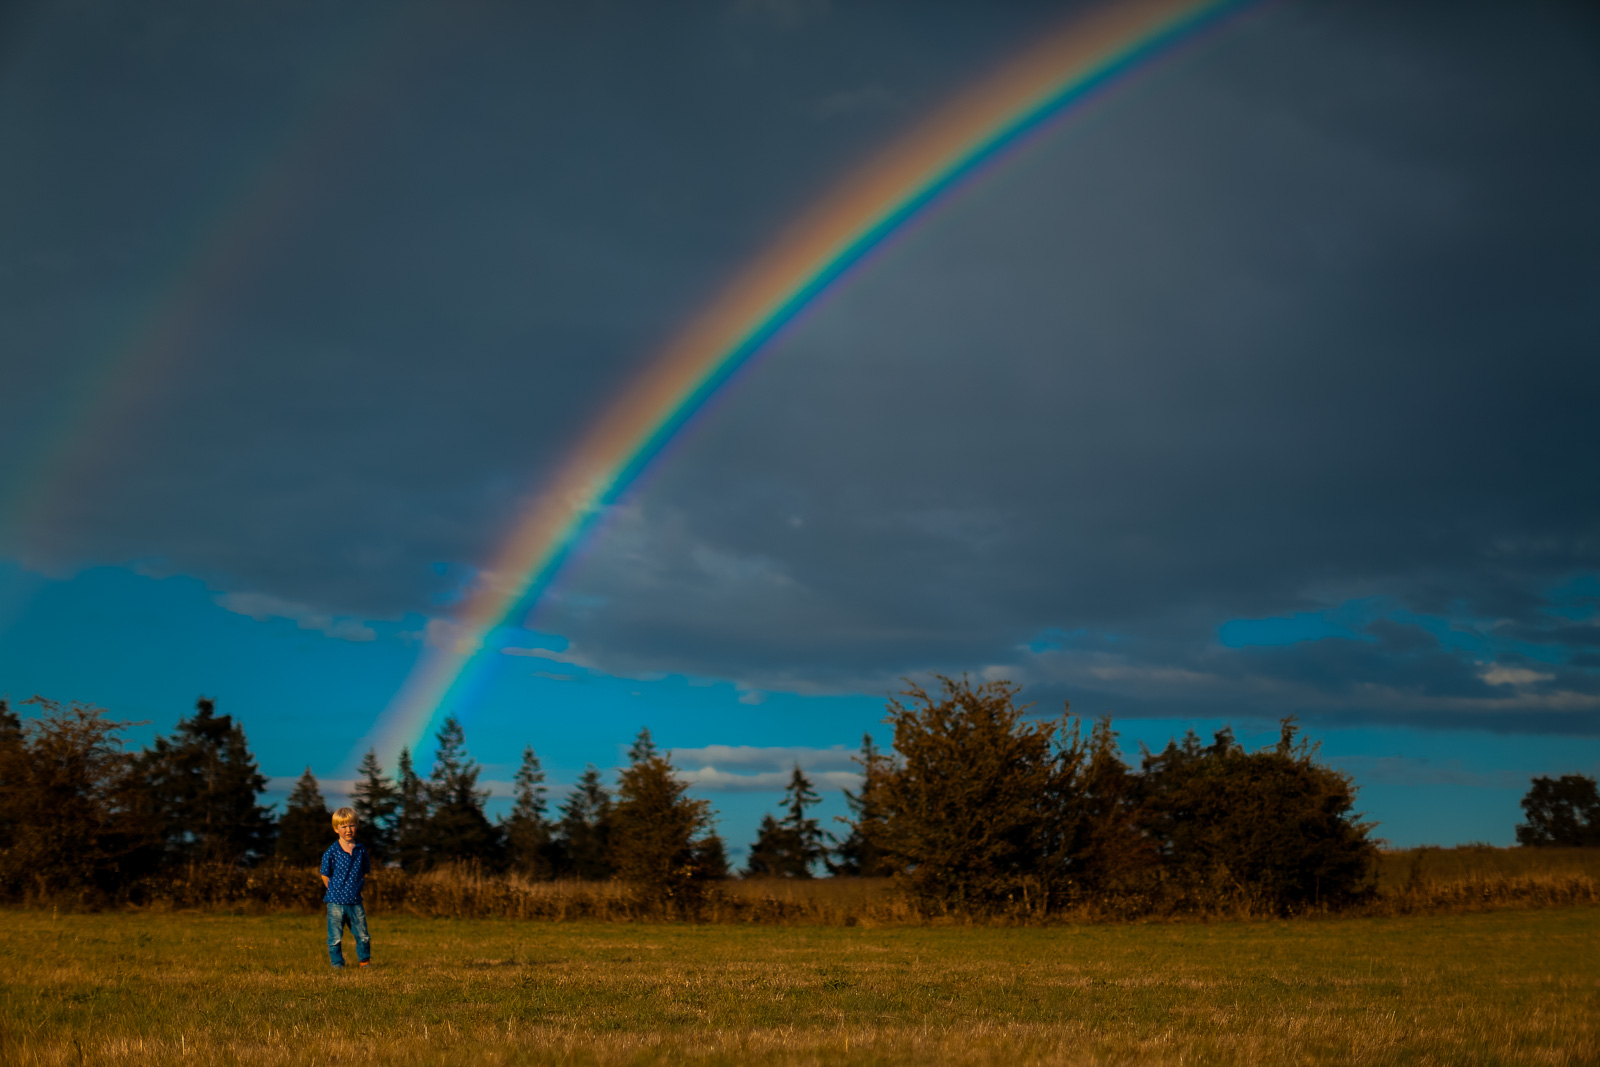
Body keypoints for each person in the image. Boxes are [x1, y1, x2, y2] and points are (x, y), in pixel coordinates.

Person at [320, 807, 372, 969]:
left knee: (363, 935)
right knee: (335, 937)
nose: (348, 830)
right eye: (343, 826)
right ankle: (337, 964)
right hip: (335, 902)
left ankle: (364, 962)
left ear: (356, 826)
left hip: (356, 901)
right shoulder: (331, 852)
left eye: (351, 825)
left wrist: (357, 888)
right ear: (336, 829)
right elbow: (324, 874)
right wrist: (334, 890)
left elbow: (365, 871)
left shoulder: (361, 850)